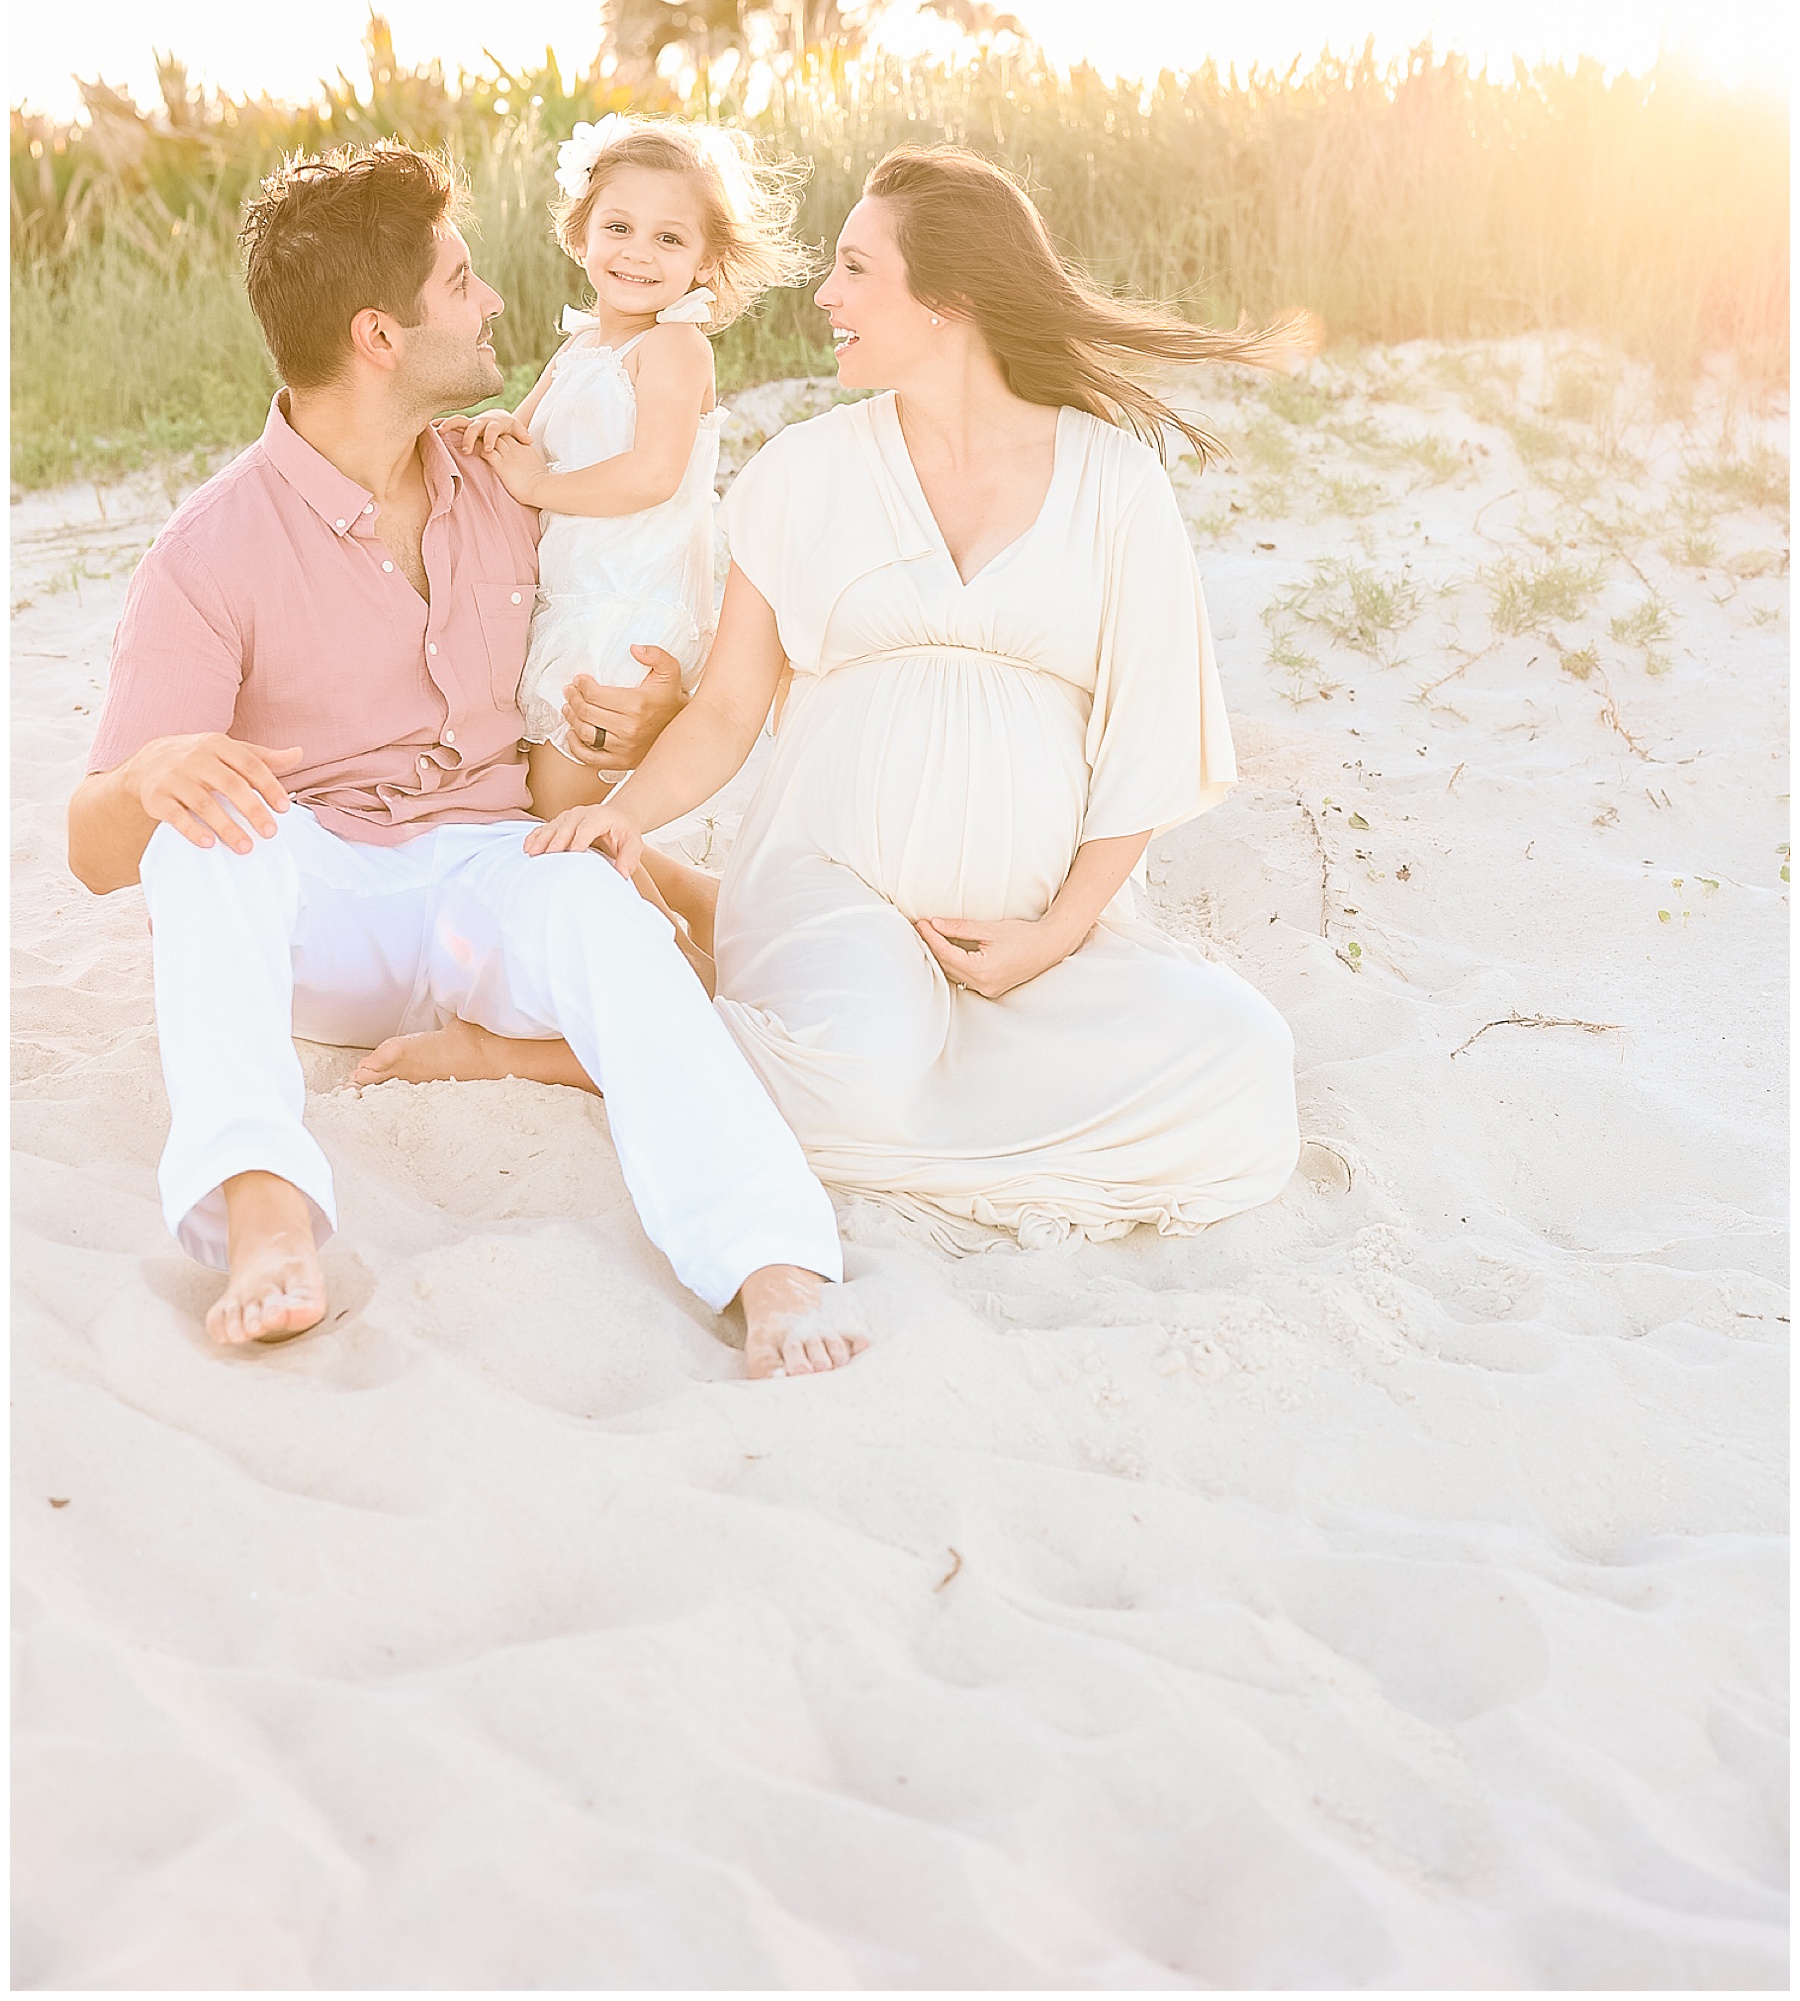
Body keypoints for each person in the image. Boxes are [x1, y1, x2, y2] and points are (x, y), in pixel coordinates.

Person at [364, 144, 1306, 1252]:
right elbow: (722, 713)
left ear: (948, 297)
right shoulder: (804, 473)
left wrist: (1053, 935)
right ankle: (584, 1023)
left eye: (857, 268)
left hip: (1035, 922)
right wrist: (621, 817)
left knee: (1239, 1058)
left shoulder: (1113, 482)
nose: (826, 294)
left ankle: (722, 971)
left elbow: (1148, 738)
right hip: (833, 887)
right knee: (852, 1077)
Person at [66, 141, 862, 1377]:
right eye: (461, 279)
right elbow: (94, 850)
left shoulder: (509, 485)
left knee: (598, 905)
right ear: (380, 335)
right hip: (319, 898)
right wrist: (145, 783)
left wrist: (639, 715)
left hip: (491, 875)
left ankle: (769, 1260)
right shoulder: (210, 549)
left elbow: (609, 621)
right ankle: (267, 1218)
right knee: (205, 846)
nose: (495, 300)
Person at [448, 122, 809, 931]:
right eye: (618, 228)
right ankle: (708, 926)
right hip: (569, 602)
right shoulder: (577, 352)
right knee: (551, 820)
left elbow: (652, 472)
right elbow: (533, 433)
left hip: (626, 609)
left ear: (704, 261)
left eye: (668, 237)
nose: (638, 253)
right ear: (581, 234)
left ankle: (676, 959)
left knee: (558, 826)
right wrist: (504, 426)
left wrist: (538, 480)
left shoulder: (674, 349)